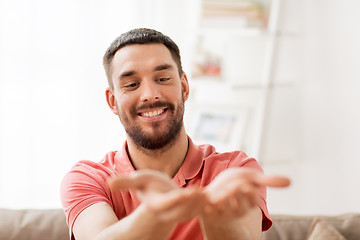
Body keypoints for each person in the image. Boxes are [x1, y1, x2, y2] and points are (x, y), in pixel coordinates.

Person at [60, 28, 290, 240]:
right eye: (131, 84)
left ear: (184, 88)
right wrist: (155, 213)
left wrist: (214, 215)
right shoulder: (88, 179)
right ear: (112, 101)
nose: (150, 94)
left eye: (162, 79)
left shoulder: (235, 170)